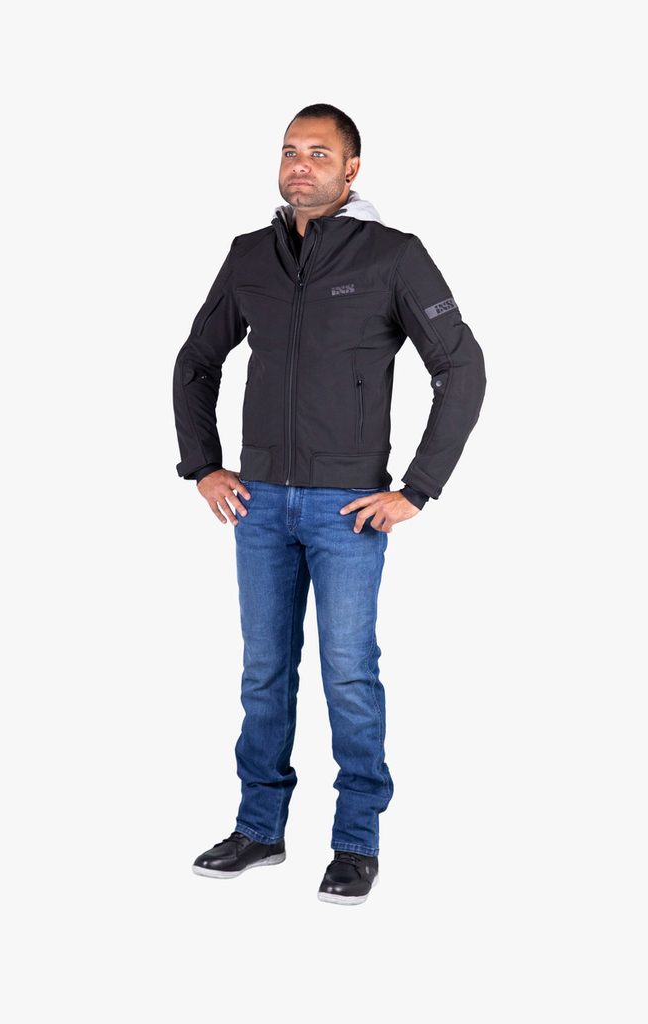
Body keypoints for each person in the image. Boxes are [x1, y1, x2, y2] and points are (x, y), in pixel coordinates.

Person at [172, 103, 487, 905]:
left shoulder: (392, 255)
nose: (299, 166)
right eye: (289, 151)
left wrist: (417, 489)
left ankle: (354, 842)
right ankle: (258, 829)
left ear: (352, 170)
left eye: (319, 153)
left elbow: (461, 367)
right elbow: (196, 359)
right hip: (257, 504)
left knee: (348, 674)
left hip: (348, 507)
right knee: (263, 674)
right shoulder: (250, 255)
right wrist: (203, 466)